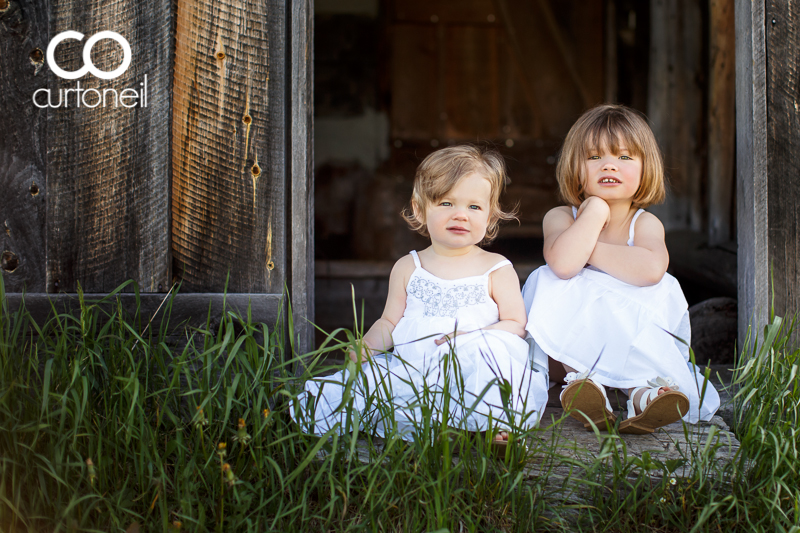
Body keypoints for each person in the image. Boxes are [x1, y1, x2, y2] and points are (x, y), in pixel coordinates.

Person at [294, 145, 549, 446]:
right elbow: (389, 321)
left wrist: (475, 335)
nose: (460, 215)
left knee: (490, 358)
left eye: (474, 207)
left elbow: (515, 324)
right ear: (419, 208)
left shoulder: (495, 268)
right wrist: (369, 346)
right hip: (417, 369)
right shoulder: (408, 267)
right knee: (370, 382)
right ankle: (316, 408)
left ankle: (491, 425)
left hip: (472, 365)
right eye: (446, 203)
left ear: (491, 217)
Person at [522, 104, 719, 434]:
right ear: (575, 167)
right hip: (566, 355)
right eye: (595, 156)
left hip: (629, 345)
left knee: (650, 290)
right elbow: (564, 265)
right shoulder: (561, 217)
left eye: (625, 157)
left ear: (645, 169)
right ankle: (585, 387)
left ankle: (643, 393)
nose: (609, 164)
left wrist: (588, 250)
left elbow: (653, 269)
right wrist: (594, 211)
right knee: (546, 278)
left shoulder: (645, 223)